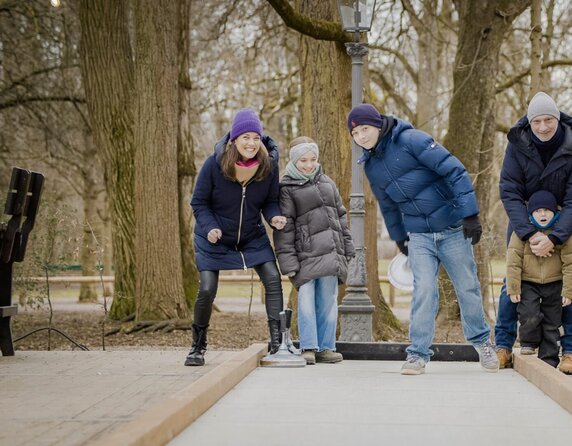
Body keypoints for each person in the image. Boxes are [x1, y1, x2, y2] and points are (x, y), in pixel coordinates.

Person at [346, 103, 498, 376]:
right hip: (419, 235)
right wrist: (398, 238)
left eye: (365, 130)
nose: (361, 137)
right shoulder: (371, 165)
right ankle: (417, 354)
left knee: (467, 287)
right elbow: (388, 205)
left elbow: (454, 170)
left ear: (378, 125)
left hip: (451, 228)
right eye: (355, 134)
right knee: (424, 291)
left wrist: (470, 214)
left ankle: (482, 343)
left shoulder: (411, 139)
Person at [496, 92, 572, 374]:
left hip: (566, 226)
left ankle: (571, 352)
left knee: (570, 287)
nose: (543, 127)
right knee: (511, 285)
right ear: (530, 121)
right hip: (524, 224)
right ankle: (502, 347)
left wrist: (555, 236)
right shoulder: (517, 143)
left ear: (558, 120)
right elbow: (509, 191)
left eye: (549, 120)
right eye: (537, 121)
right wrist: (529, 233)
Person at [185, 108, 286, 366]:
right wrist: (209, 227)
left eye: (255, 137)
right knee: (207, 289)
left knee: (273, 279)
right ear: (234, 139)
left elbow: (271, 201)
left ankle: (278, 343)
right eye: (245, 137)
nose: (251, 143)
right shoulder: (214, 164)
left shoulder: (268, 165)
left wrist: (274, 217)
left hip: (252, 235)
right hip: (214, 237)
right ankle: (198, 346)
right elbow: (199, 203)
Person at [274, 136, 354, 365]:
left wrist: (347, 247)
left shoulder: (327, 182)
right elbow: (284, 227)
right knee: (307, 301)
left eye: (313, 159)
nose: (309, 165)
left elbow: (340, 215)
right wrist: (288, 263)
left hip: (331, 252)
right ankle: (309, 346)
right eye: (303, 161)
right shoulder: (287, 188)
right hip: (305, 255)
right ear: (294, 161)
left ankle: (326, 347)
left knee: (328, 301)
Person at [506, 190, 572, 367]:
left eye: (547, 210)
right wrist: (514, 288)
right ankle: (528, 343)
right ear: (531, 213)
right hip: (528, 282)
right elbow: (513, 262)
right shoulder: (522, 232)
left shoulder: (563, 232)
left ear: (555, 212)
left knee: (552, 322)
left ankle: (549, 359)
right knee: (529, 314)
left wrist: (569, 291)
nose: (543, 214)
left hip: (555, 283)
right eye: (538, 211)